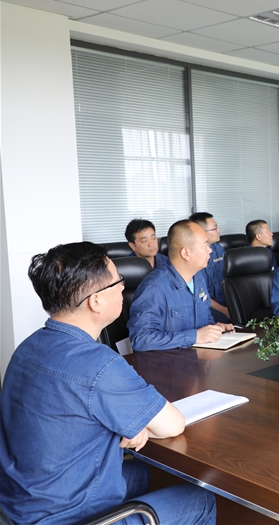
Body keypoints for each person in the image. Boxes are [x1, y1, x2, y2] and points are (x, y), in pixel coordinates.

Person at [0, 242, 216, 525]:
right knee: (201, 500)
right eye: (118, 282)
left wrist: (128, 425)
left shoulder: (27, 348)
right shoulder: (99, 364)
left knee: (144, 474)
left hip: (20, 504)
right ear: (95, 301)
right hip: (68, 517)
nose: (123, 290)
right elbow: (173, 425)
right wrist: (132, 424)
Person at [128, 220, 233, 351]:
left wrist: (215, 329)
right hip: (170, 365)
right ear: (185, 253)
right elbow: (141, 339)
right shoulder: (154, 287)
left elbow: (206, 318)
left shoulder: (198, 279)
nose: (210, 250)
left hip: (200, 358)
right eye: (204, 245)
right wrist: (194, 336)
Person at [188, 212, 228, 321]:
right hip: (206, 304)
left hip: (225, 301)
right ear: (201, 232)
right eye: (214, 228)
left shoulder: (218, 249)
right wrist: (223, 309)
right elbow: (200, 294)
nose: (218, 230)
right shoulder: (192, 256)